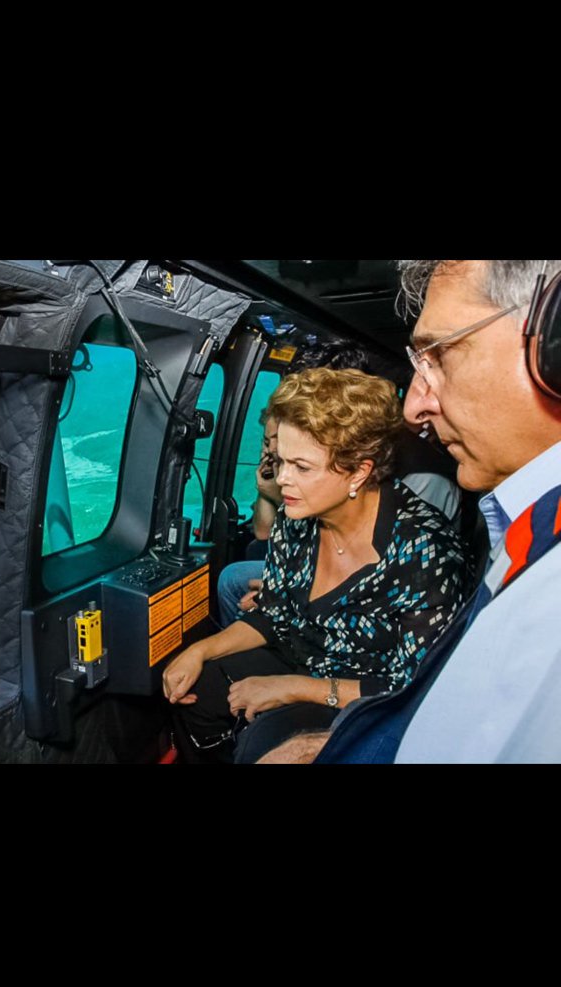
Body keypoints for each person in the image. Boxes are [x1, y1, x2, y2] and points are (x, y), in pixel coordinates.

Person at [255, 259, 561, 765]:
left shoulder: (437, 550)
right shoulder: (524, 532)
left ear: (553, 348)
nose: (414, 408)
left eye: (438, 356)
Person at [163, 368, 470, 758]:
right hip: (299, 655)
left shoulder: (425, 552)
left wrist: (292, 688)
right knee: (197, 690)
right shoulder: (296, 518)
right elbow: (272, 615)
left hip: (364, 694)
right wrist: (200, 650)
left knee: (264, 745)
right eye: (281, 461)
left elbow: (413, 688)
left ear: (359, 471)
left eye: (302, 467)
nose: (282, 480)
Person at [216, 413, 280, 627]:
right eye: (266, 441)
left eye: (276, 439)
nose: (270, 449)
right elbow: (263, 532)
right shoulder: (277, 467)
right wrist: (264, 486)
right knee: (255, 548)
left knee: (231, 579)